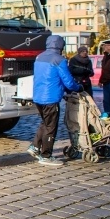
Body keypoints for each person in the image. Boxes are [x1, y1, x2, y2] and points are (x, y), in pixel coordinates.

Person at [28, 35, 83, 166]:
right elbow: (68, 81)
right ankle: (46, 155)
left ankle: (35, 147)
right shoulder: (59, 59)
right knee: (51, 127)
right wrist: (78, 87)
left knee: (45, 123)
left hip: (38, 96)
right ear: (61, 46)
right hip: (51, 98)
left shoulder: (39, 57)